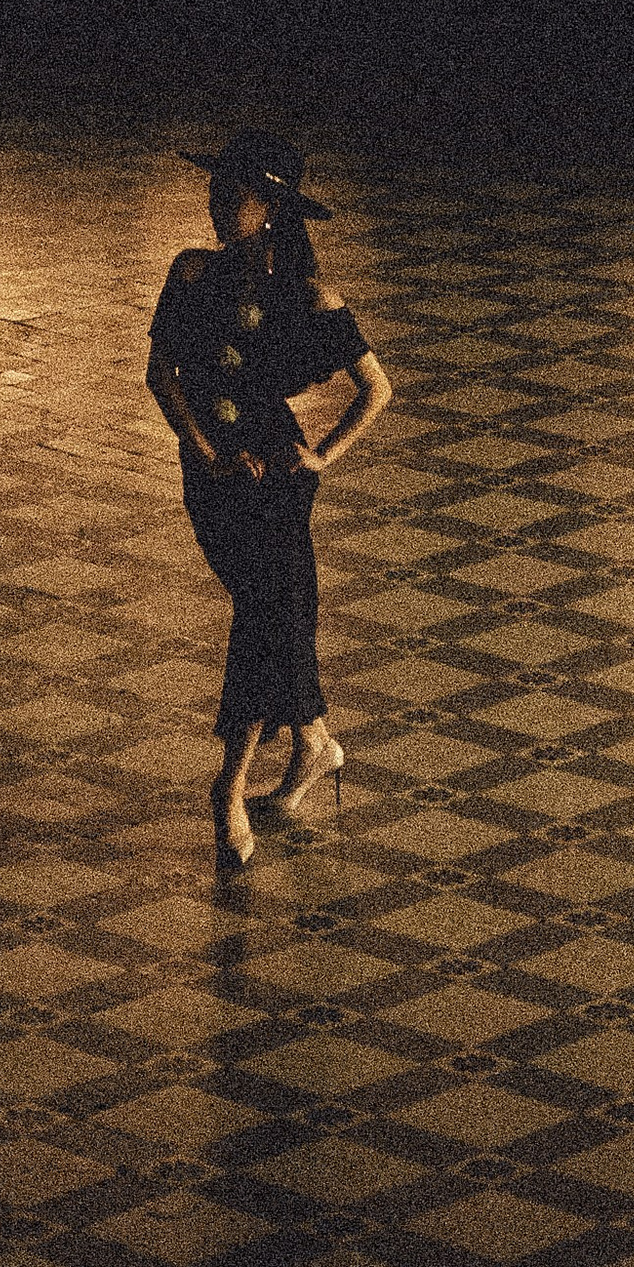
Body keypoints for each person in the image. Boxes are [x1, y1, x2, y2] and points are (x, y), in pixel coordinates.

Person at [146, 131, 394, 869]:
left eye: (239, 194)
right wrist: (206, 451)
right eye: (217, 190)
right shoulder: (191, 275)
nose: (222, 205)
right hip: (216, 473)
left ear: (273, 208)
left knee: (264, 612)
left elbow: (376, 389)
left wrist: (320, 455)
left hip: (278, 483)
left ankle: (228, 788)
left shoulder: (310, 299)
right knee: (276, 609)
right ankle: (314, 742)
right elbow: (164, 376)